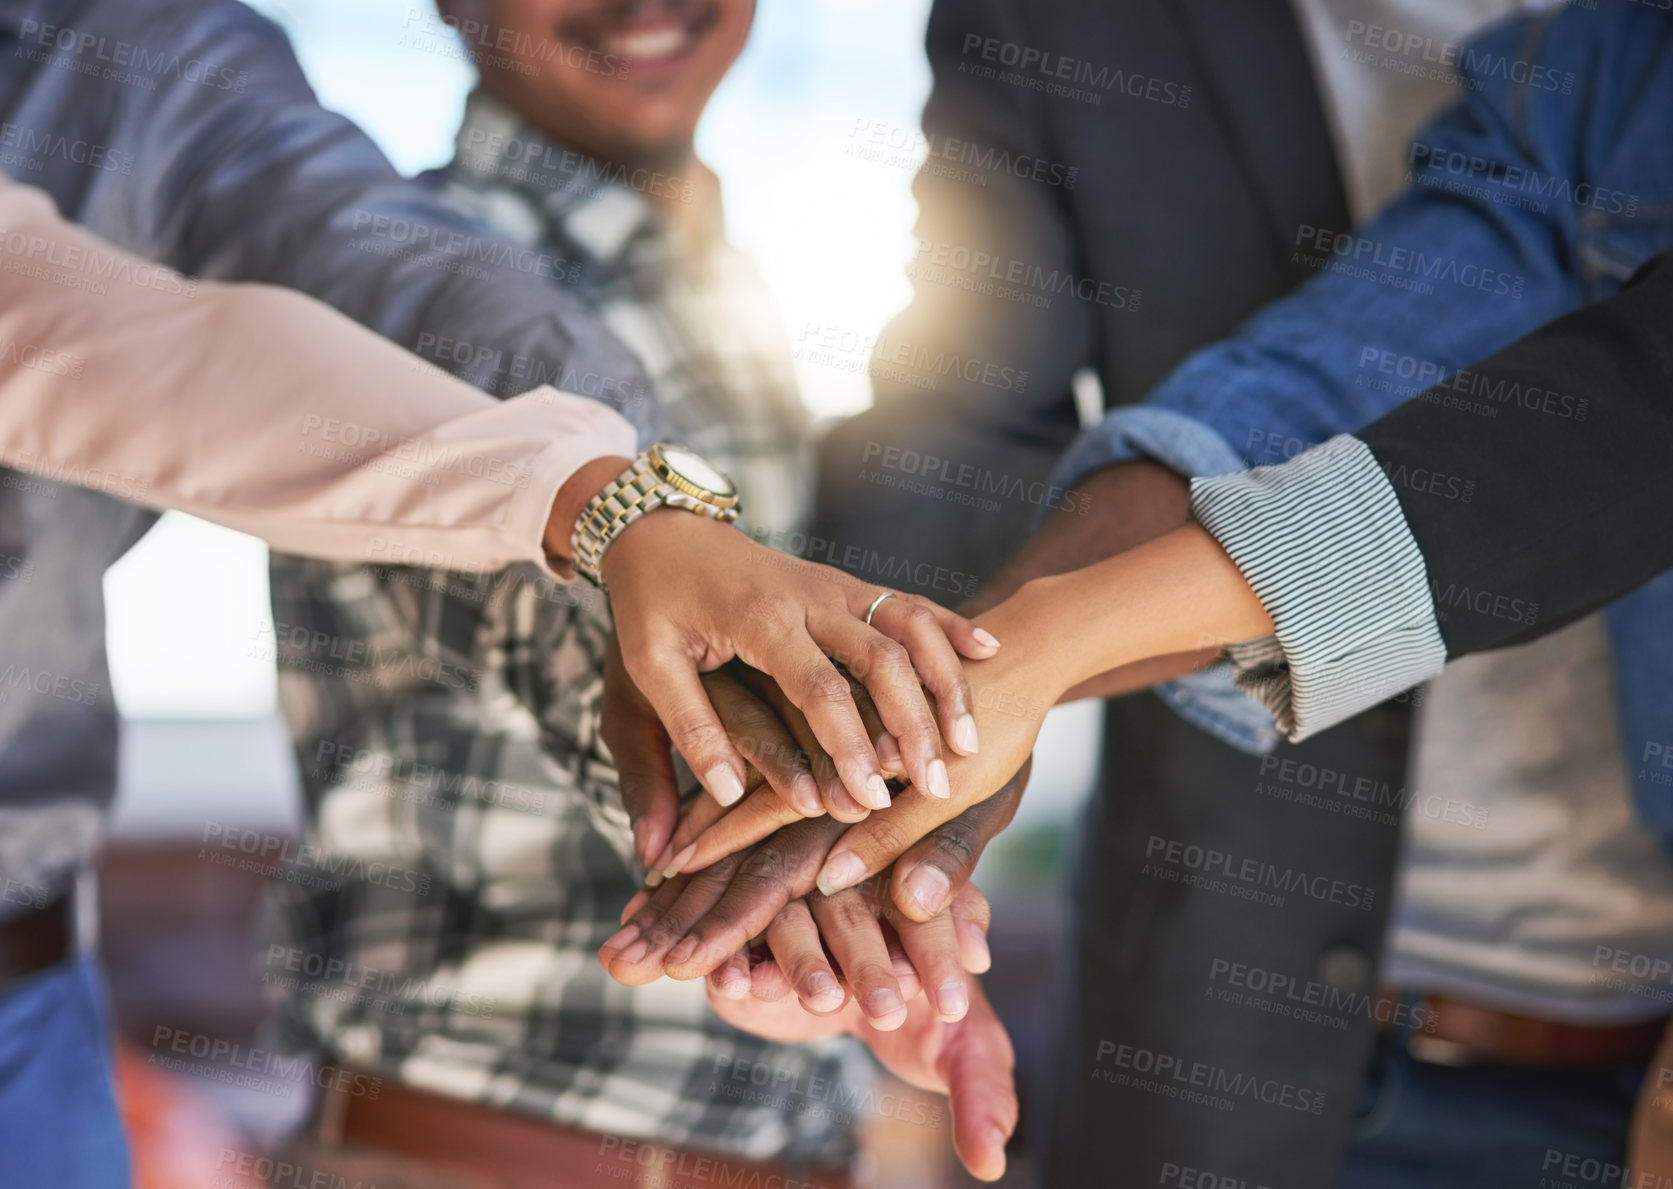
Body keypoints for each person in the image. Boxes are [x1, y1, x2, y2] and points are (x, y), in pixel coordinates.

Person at [637, 7, 1673, 1187]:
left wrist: (1014, 666)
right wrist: (926, 721)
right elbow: (1286, 394)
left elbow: (1621, 428)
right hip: (1224, 1032)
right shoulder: (1583, 85)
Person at [0, 1, 992, 1184]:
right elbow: (514, 594)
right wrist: (783, 817)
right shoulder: (420, 285)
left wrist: (868, 880)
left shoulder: (735, 294)